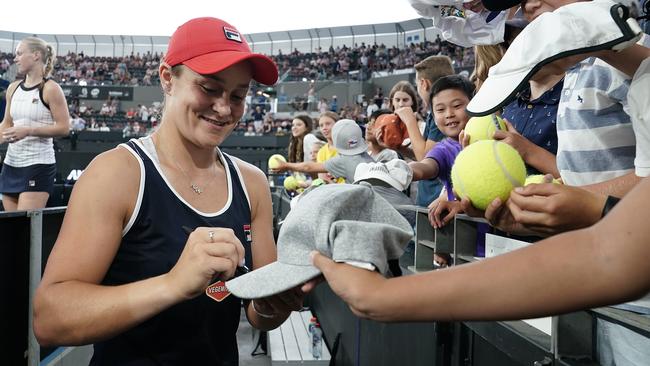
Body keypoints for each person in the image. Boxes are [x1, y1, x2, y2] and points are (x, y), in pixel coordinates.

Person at [33, 17, 314, 365]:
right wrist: (173, 284)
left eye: (238, 95)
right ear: (168, 78)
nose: (225, 108)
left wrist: (276, 303)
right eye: (209, 89)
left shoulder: (251, 183)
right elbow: (51, 319)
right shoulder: (118, 174)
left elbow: (258, 313)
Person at [0, 36, 70, 211]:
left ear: (36, 55)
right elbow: (6, 124)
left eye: (19, 53)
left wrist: (29, 131)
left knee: (26, 230)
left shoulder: (51, 89)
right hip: (11, 164)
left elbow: (64, 127)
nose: (15, 58)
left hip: (38, 165)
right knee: (12, 230)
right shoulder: (13, 88)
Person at [407, 75, 475, 228]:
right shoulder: (445, 147)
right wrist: (401, 170)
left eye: (457, 106)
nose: (449, 114)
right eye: (440, 109)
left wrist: (463, 207)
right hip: (458, 243)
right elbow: (426, 166)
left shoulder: (491, 141)